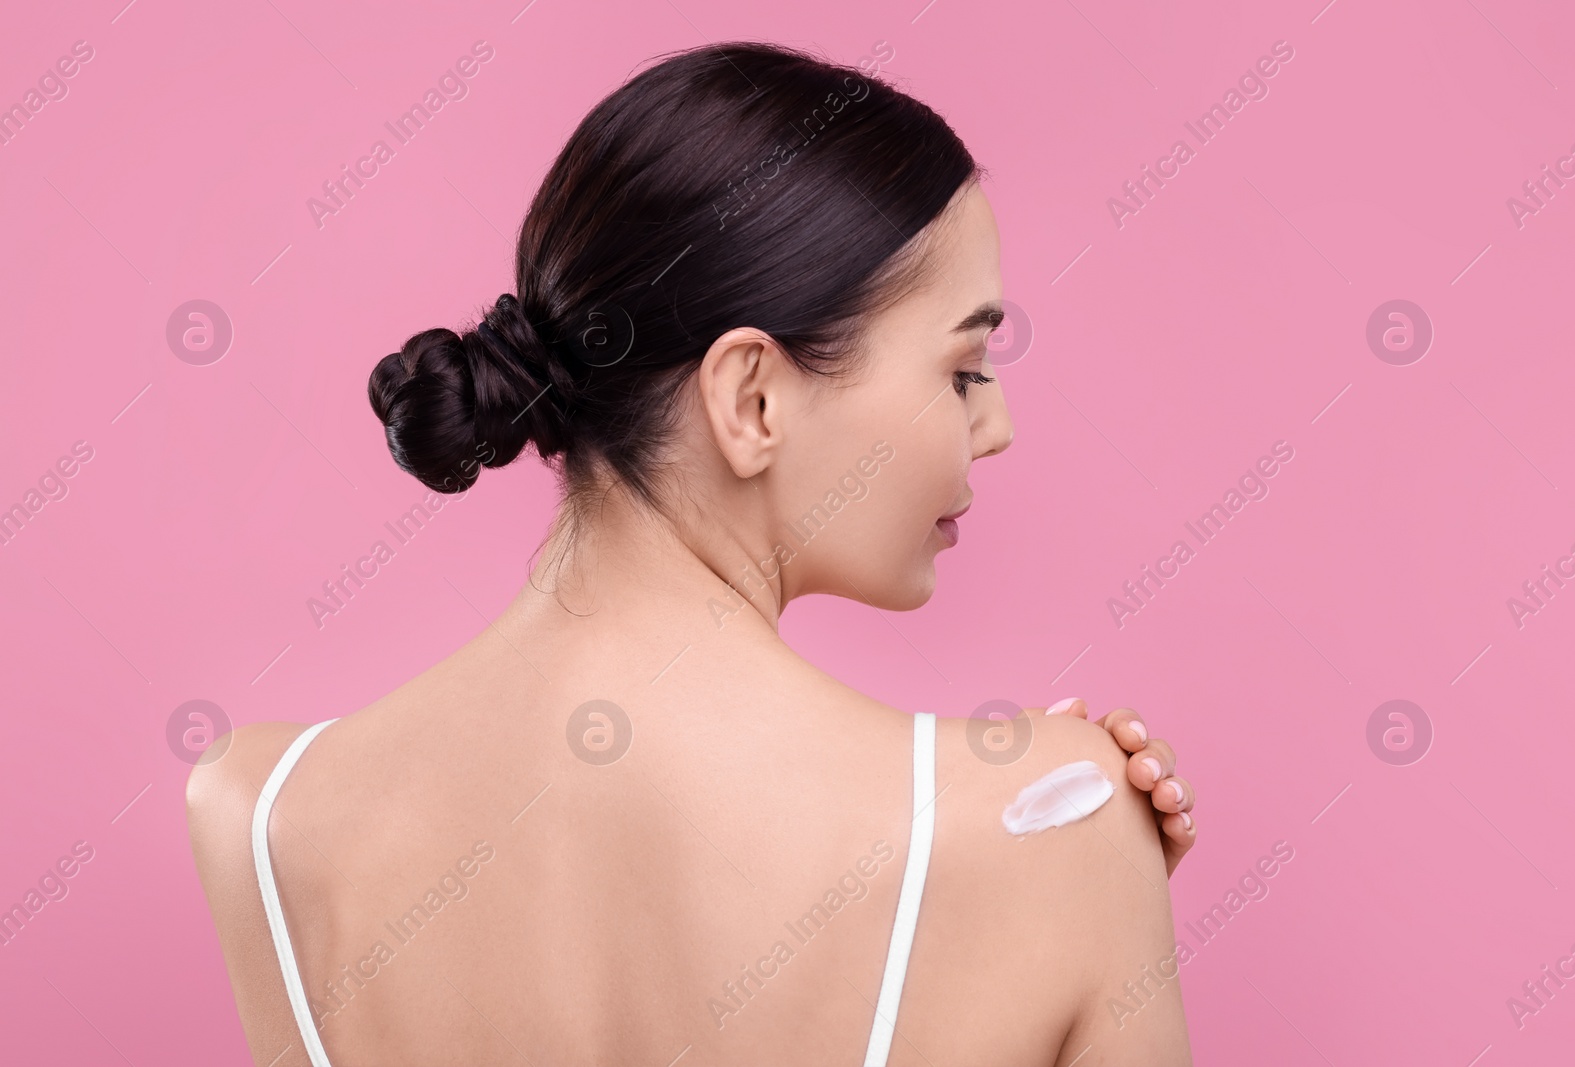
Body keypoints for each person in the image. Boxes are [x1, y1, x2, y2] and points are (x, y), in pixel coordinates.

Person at [187, 41, 1196, 1066]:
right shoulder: (1049, 818)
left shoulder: (261, 806)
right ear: (749, 396)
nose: (995, 426)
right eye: (965, 366)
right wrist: (1088, 858)